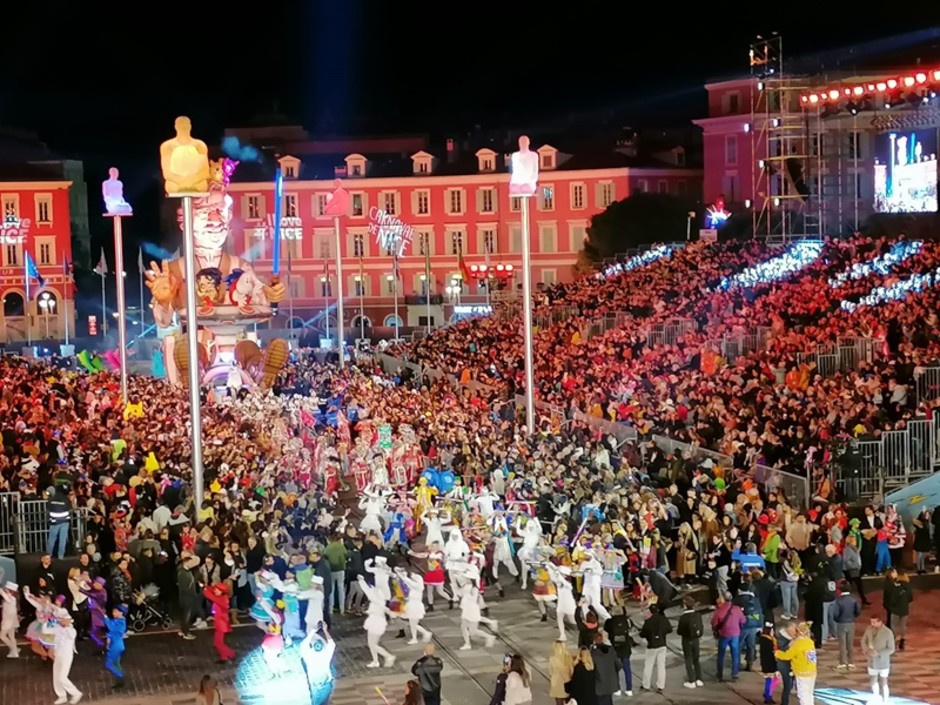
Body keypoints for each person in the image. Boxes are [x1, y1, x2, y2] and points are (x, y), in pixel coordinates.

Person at [774, 623, 817, 705]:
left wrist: (777, 653)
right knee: (809, 694)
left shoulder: (799, 644)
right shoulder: (810, 642)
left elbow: (787, 656)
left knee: (803, 695)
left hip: (802, 672)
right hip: (812, 671)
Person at [861, 614, 895, 705]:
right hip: (871, 660)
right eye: (871, 622)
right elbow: (863, 640)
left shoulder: (888, 632)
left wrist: (878, 653)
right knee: (873, 679)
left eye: (875, 622)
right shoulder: (869, 629)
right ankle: (876, 697)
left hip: (883, 661)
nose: (872, 624)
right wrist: (866, 650)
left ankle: (885, 701)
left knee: (884, 682)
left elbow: (891, 648)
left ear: (880, 622)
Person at [50, 611, 82, 704]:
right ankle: (62, 696)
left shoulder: (72, 631)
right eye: (60, 619)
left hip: (66, 656)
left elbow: (71, 635)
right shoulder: (56, 628)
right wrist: (51, 648)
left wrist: (67, 625)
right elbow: (49, 634)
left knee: (62, 677)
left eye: (63, 620)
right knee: (56, 676)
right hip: (57, 654)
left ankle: (76, 693)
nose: (61, 621)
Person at [711, 596, 746, 682]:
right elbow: (743, 621)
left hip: (724, 634)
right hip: (735, 634)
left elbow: (714, 623)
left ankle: (720, 674)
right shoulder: (737, 609)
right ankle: (735, 674)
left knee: (721, 655)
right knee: (735, 654)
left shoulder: (719, 610)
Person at [638, 603, 671, 693]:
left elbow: (642, 634)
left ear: (650, 611)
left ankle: (646, 684)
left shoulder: (648, 622)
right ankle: (661, 685)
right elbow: (670, 629)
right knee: (661, 666)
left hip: (652, 646)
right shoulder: (663, 619)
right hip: (662, 645)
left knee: (648, 665)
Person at [603, 605, 634, 696]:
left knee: (615, 669)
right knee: (627, 669)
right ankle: (629, 689)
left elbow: (605, 633)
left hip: (615, 649)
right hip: (625, 648)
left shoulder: (609, 622)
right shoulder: (627, 620)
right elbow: (631, 630)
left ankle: (617, 689)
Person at [831, 582, 860, 670]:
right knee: (850, 643)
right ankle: (851, 662)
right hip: (851, 623)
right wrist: (853, 617)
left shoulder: (838, 600)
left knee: (842, 644)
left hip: (841, 623)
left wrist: (838, 620)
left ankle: (842, 662)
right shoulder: (854, 599)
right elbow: (857, 611)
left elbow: (835, 613)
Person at [204, 581, 235, 664]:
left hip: (221, 624)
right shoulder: (221, 597)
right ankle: (223, 657)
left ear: (222, 592)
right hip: (220, 623)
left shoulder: (221, 600)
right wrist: (206, 586)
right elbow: (211, 591)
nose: (215, 591)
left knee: (218, 643)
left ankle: (230, 654)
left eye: (217, 590)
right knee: (218, 642)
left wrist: (205, 588)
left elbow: (209, 595)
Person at [676, 595, 704, 688]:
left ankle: (691, 680)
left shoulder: (683, 617)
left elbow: (679, 631)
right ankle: (699, 679)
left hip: (687, 640)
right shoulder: (697, 615)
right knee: (696, 659)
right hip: (696, 639)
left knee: (688, 659)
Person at [883, 568, 912, 651]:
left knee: (894, 626)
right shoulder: (907, 586)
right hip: (904, 609)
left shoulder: (894, 586)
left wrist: (891, 606)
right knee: (903, 626)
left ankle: (893, 642)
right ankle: (902, 641)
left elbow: (892, 599)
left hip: (895, 609)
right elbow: (910, 598)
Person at [590, 632, 621, 705]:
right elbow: (619, 665)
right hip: (611, 682)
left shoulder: (593, 654)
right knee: (609, 700)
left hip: (599, 684)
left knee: (601, 701)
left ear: (594, 641)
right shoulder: (611, 650)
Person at [104, 604, 128, 688]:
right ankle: (120, 681)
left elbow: (112, 628)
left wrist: (106, 618)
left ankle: (121, 677)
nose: (113, 613)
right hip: (115, 644)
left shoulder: (121, 622)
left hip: (116, 645)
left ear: (121, 612)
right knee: (116, 663)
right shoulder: (117, 621)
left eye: (115, 611)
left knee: (109, 664)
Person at [47, 485, 72, 559]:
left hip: (54, 522)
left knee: (51, 539)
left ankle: (49, 556)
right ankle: (60, 556)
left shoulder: (52, 498)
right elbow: (70, 510)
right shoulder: (66, 499)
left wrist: (49, 520)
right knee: (63, 539)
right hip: (64, 521)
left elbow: (48, 511)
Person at [758, 622, 780, 705]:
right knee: (770, 680)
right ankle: (768, 696)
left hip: (767, 663)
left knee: (774, 679)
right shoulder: (768, 641)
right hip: (770, 663)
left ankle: (768, 693)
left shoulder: (765, 639)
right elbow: (772, 653)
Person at [548, 640, 574, 705]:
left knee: (559, 702)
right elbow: (572, 671)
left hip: (556, 684)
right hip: (567, 683)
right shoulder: (569, 658)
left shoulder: (552, 659)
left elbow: (551, 672)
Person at [0, 581, 20, 658]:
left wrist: (2, 590)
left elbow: (2, 593)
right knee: (11, 636)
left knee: (2, 636)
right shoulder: (11, 598)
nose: (5, 589)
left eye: (7, 588)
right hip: (11, 620)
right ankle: (15, 650)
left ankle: (13, 649)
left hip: (8, 621)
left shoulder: (11, 598)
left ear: (10, 590)